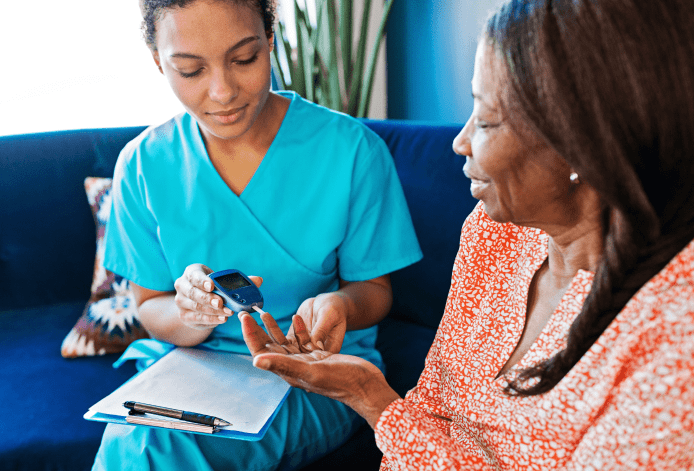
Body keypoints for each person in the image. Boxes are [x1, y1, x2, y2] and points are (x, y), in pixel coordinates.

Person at [239, 0, 694, 468]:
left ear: (582, 143)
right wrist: (375, 399)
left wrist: (371, 397)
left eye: (488, 120)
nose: (460, 141)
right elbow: (430, 405)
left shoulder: (675, 346)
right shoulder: (497, 233)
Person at [92, 0, 422, 469]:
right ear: (157, 62)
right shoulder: (142, 165)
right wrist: (192, 314)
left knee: (164, 453)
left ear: (270, 40)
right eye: (189, 70)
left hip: (313, 371)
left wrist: (342, 305)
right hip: (192, 370)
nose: (222, 91)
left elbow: (373, 291)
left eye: (244, 59)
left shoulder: (352, 151)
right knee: (138, 445)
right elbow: (150, 308)